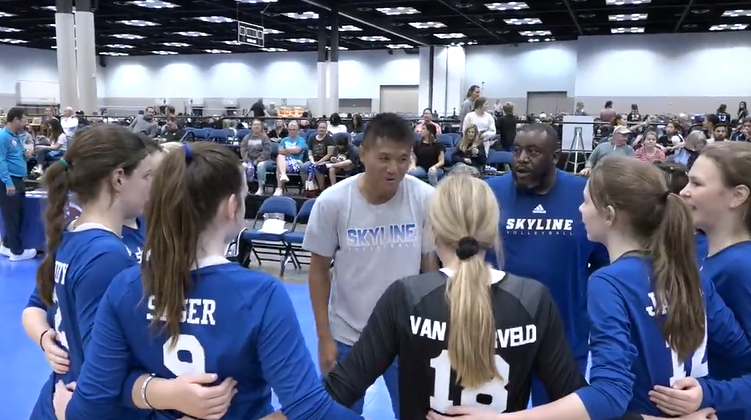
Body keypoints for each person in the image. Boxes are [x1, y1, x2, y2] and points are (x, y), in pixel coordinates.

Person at [53, 143, 363, 420]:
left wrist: (68, 408)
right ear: (232, 207)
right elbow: (309, 409)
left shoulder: (125, 287)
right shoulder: (259, 295)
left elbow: (93, 400)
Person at [434, 157, 750, 420]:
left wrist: (505, 419)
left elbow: (610, 395)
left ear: (609, 215)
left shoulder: (610, 282)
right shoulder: (692, 275)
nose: (580, 211)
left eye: (585, 202)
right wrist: (708, 395)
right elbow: (744, 359)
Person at [317, 175, 611, 419]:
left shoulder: (406, 296)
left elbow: (340, 389)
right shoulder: (533, 298)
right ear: (493, 230)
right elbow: (576, 399)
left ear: (433, 231)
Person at [303, 112, 437, 419]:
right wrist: (324, 338)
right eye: (384, 158)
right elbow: (319, 271)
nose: (394, 168)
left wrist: (432, 335)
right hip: (348, 335)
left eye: (403, 159)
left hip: (407, 337)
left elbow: (430, 269)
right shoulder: (332, 203)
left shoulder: (425, 198)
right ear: (362, 154)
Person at [24, 125, 160, 419]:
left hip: (64, 391)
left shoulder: (72, 237)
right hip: (91, 407)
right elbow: (104, 365)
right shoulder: (106, 254)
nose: (152, 185)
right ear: (119, 178)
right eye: (147, 176)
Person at [486, 123, 609, 406]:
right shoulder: (489, 193)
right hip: (499, 336)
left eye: (533, 151)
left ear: (555, 157)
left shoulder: (585, 194)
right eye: (516, 150)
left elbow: (605, 263)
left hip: (564, 336)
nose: (521, 159)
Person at [675, 142, 751, 420]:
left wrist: (708, 394)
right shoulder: (702, 250)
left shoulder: (741, 267)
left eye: (696, 183)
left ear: (737, 195)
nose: (684, 191)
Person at [0, 107, 36, 261]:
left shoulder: (15, 136)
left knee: (17, 215)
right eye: (23, 120)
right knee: (12, 216)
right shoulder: (3, 136)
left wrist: (26, 156)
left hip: (19, 180)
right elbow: (0, 161)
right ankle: (17, 251)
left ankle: (7, 244)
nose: (25, 123)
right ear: (15, 120)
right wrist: (8, 182)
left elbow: (15, 157)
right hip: (10, 181)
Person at [270, 121, 307, 197]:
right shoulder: (284, 140)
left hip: (297, 162)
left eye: (294, 129)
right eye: (290, 129)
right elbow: (280, 151)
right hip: (285, 161)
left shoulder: (301, 140)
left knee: (279, 165)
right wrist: (291, 151)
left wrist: (286, 151)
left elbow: (297, 151)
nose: (292, 131)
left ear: (298, 130)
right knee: (280, 157)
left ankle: (279, 188)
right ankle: (283, 176)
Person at [240, 119, 272, 190]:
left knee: (260, 166)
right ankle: (245, 188)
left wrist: (258, 160)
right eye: (255, 124)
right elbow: (243, 150)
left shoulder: (265, 138)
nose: (256, 126)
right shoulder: (247, 137)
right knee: (243, 166)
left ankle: (260, 188)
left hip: (264, 160)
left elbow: (267, 151)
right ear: (252, 126)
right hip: (249, 160)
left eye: (258, 125)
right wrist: (247, 160)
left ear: (261, 127)